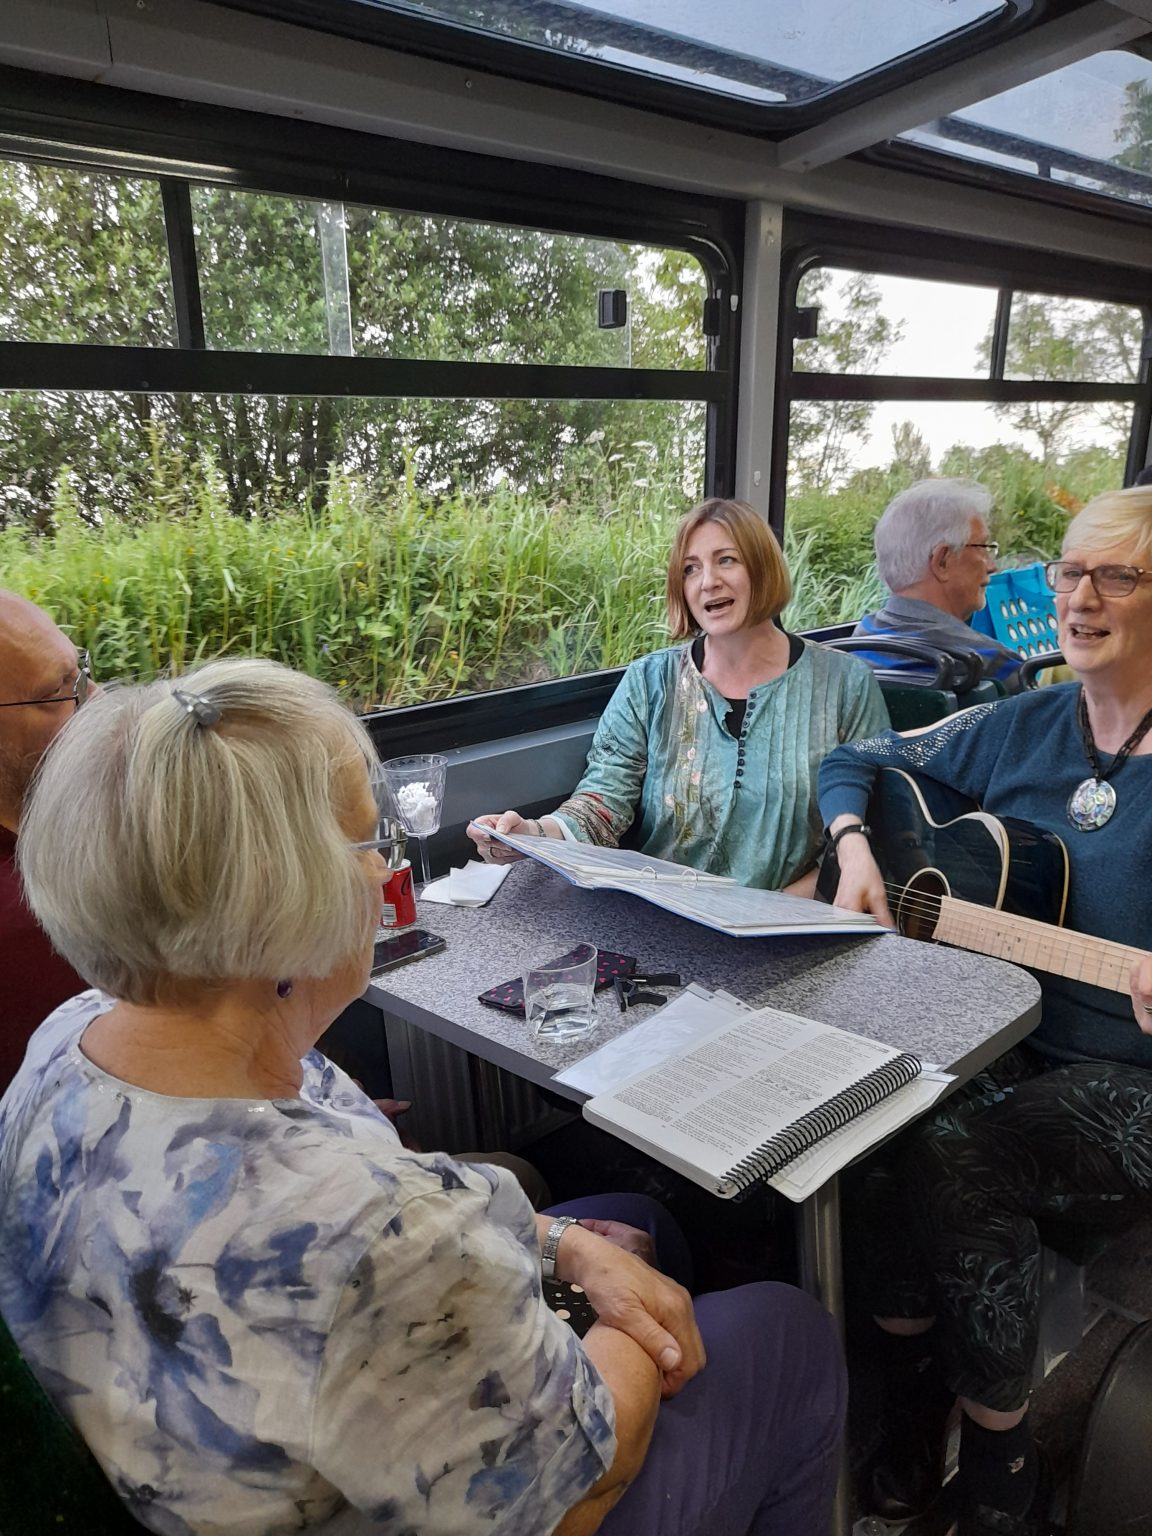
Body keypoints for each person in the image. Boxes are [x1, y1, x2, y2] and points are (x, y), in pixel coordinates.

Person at [0, 656, 845, 1536]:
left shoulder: (69, 1038)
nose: (386, 875)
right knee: (788, 1331)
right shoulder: (376, 1236)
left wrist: (565, 1248)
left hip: (203, 1446)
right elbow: (580, 1490)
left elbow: (367, 1177)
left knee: (640, 1220)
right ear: (281, 900)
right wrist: (634, 1334)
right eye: (369, 845)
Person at [818, 484, 1152, 1536]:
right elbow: (854, 762)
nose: (1079, 597)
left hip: (1133, 1083)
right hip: (1001, 1032)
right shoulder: (1027, 723)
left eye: (1118, 575)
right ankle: (916, 1387)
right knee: (865, 1125)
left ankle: (1003, 1453)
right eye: (1067, 570)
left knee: (966, 1151)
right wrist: (856, 850)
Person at [470, 497, 887, 894]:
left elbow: (873, 828)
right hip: (665, 920)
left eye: (727, 560)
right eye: (690, 569)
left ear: (763, 568)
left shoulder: (845, 683)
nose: (708, 582)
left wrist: (790, 904)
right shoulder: (650, 681)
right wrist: (530, 834)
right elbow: (603, 801)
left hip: (797, 922)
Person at [0, 590, 89, 1090]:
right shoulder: (37, 924)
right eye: (58, 692)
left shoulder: (49, 836)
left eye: (80, 671)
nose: (95, 701)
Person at [853, 478, 1023, 691]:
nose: (992, 566)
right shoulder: (991, 664)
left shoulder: (860, 639)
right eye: (983, 548)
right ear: (942, 560)